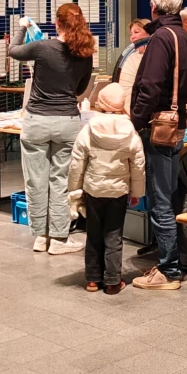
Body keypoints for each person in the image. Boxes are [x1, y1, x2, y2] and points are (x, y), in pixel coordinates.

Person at [130, 0, 187, 291]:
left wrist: (134, 120)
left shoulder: (160, 37)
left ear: (154, 8)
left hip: (159, 125)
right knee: (168, 194)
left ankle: (169, 269)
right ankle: (169, 260)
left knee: (160, 198)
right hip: (178, 123)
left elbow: (151, 85)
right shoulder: (186, 37)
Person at [10, 3, 95, 254]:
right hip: (67, 121)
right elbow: (80, 91)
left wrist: (22, 27)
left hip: (36, 120)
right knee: (61, 182)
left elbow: (14, 50)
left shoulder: (42, 47)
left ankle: (40, 236)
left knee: (35, 181)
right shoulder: (85, 52)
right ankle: (59, 239)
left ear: (57, 23)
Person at [68, 83, 145, 295]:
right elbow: (138, 163)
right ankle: (112, 280)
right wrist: (137, 192)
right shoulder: (130, 131)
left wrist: (74, 191)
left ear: (100, 104)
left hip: (93, 190)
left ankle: (93, 279)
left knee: (93, 233)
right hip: (118, 191)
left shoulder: (89, 129)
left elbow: (77, 162)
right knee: (114, 234)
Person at [116, 18, 150, 114]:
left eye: (136, 32)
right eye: (131, 34)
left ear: (150, 33)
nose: (132, 37)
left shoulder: (157, 57)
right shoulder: (129, 58)